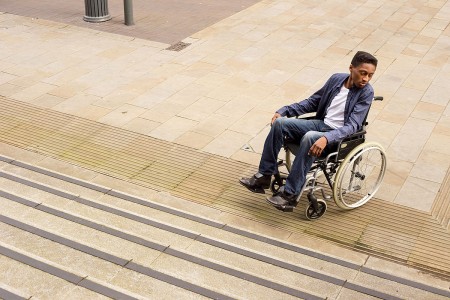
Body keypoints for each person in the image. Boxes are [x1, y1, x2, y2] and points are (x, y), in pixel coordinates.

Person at [239, 51, 378, 210]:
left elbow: (352, 126)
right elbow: (312, 102)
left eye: (370, 75)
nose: (366, 79)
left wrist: (326, 138)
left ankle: (290, 194)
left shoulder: (367, 92)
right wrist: (284, 111)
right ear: (351, 68)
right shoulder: (336, 79)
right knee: (280, 124)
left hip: (339, 138)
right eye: (363, 73)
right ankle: (264, 175)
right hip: (321, 124)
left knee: (310, 137)